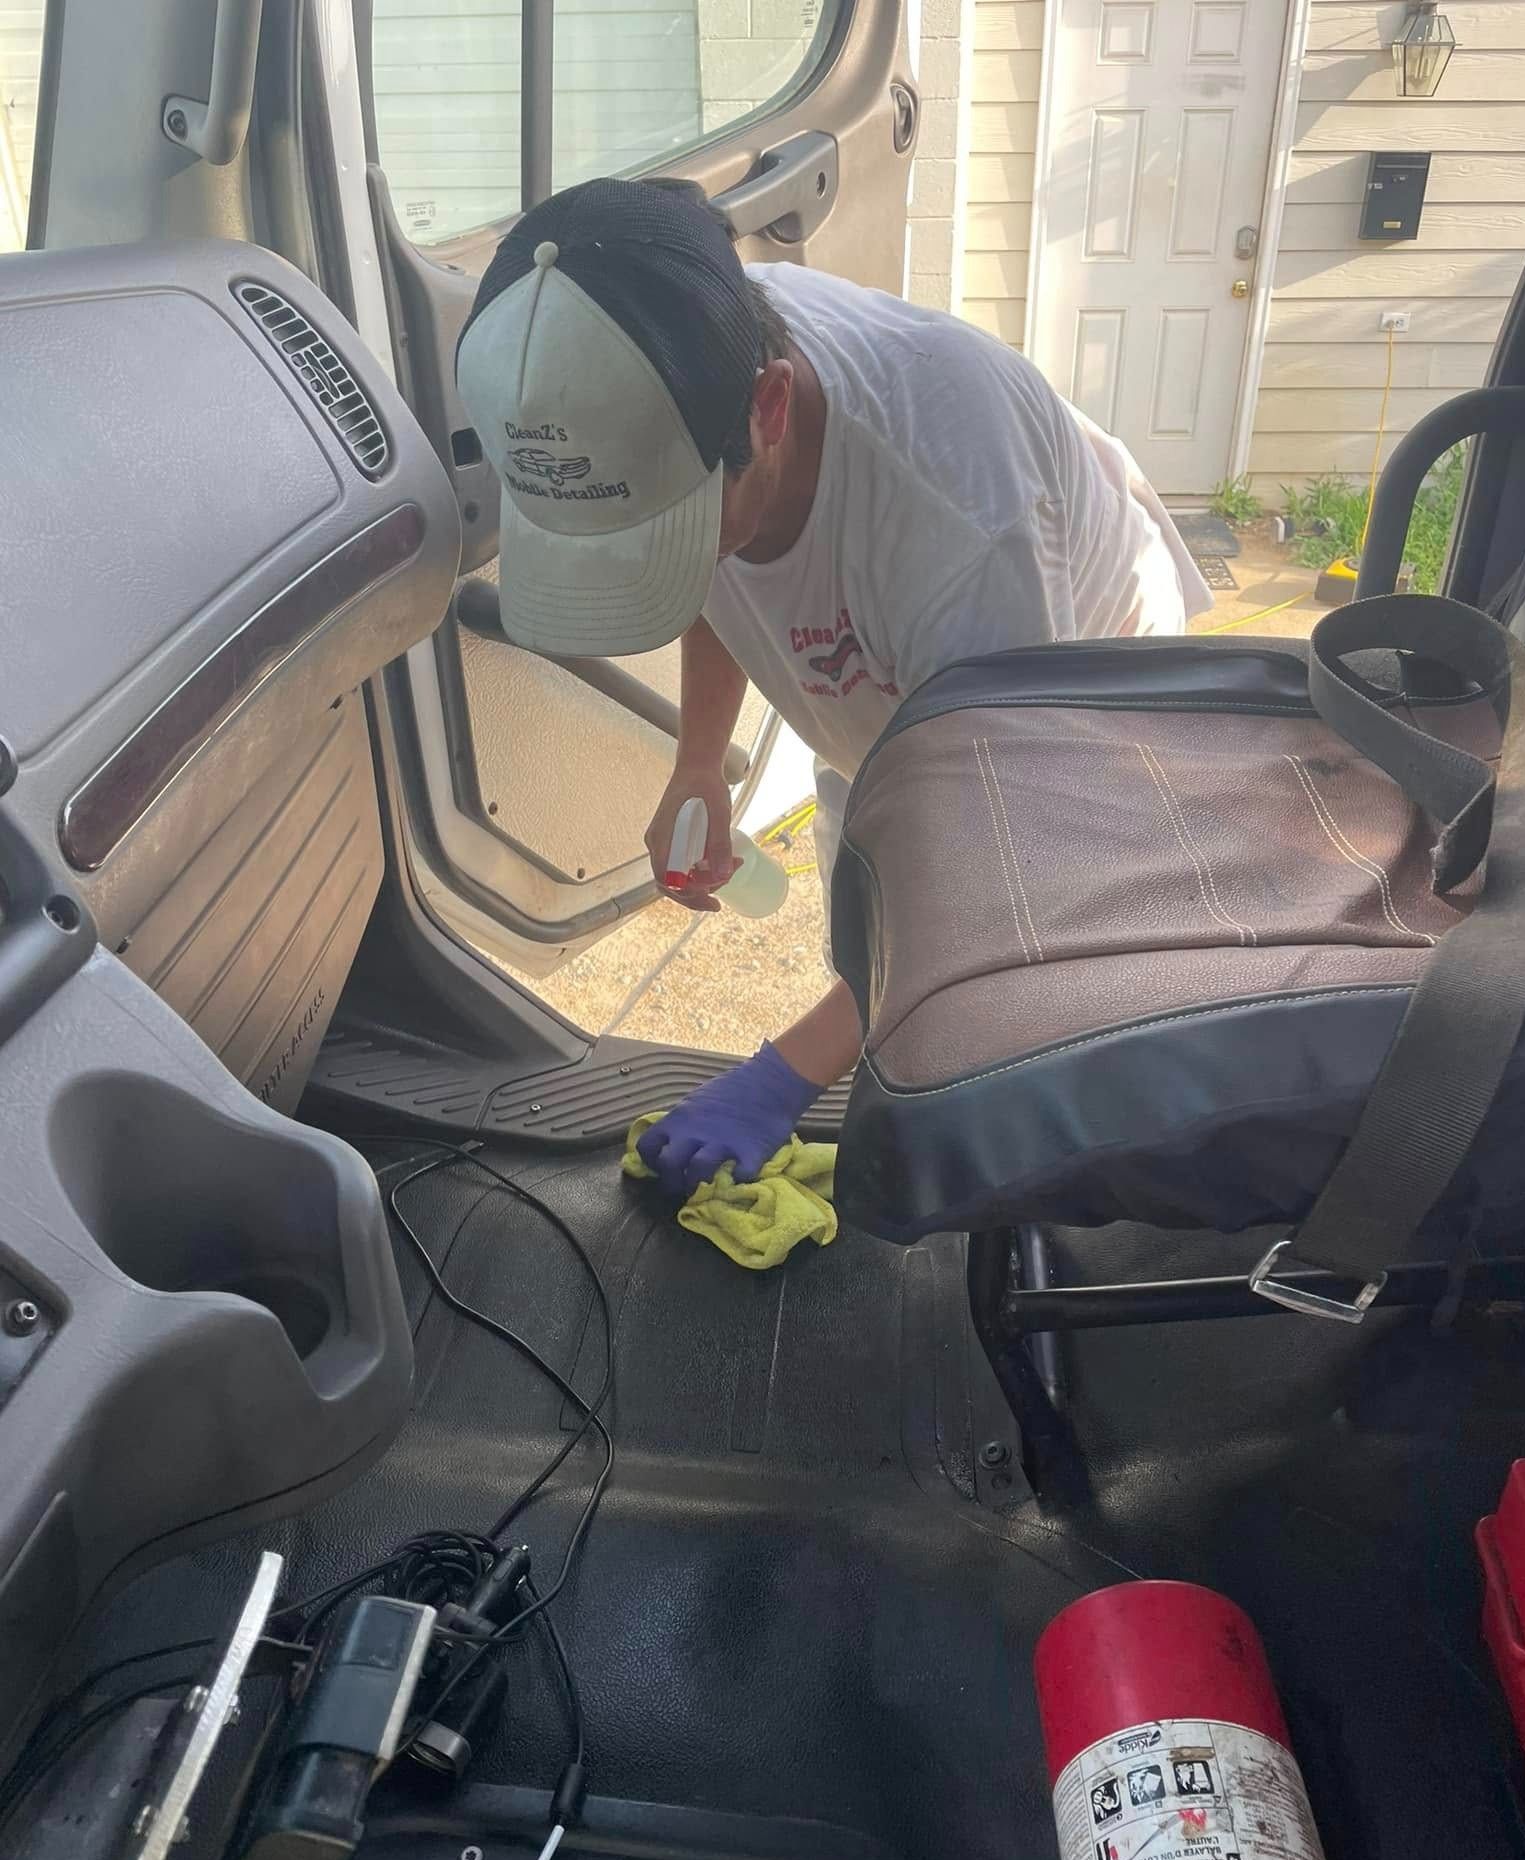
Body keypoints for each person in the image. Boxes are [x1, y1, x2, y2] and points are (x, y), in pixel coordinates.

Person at [457, 177, 1209, 1196]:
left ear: (771, 409)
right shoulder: (675, 346)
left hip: (1078, 711)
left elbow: (985, 886)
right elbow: (699, 569)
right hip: (892, 681)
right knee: (879, 955)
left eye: (675, 528)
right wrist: (697, 763)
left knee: (1031, 1013)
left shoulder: (956, 525)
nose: (676, 557)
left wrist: (780, 1074)